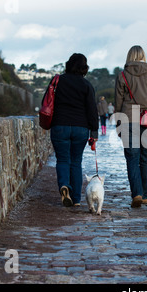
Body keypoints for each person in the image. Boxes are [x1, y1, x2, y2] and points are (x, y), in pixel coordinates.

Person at [114, 45, 147, 208]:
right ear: (143, 56)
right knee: (145, 158)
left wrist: (118, 124)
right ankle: (146, 195)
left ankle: (136, 193)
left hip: (128, 119)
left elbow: (118, 102)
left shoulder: (122, 75)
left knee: (132, 158)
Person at [48, 53, 99, 207]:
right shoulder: (86, 85)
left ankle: (64, 185)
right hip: (80, 128)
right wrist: (94, 133)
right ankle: (76, 199)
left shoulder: (58, 81)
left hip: (60, 125)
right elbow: (92, 110)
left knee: (63, 159)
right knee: (76, 161)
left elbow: (49, 101)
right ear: (84, 68)